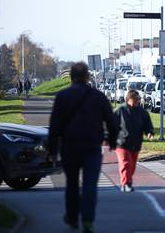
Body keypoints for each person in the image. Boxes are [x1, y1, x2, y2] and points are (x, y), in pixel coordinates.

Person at [48, 62, 118, 233]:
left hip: (69, 147)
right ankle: (87, 220)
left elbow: (54, 125)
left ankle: (72, 218)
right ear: (87, 76)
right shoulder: (98, 96)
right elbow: (111, 121)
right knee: (90, 185)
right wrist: (113, 141)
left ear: (71, 76)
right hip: (92, 147)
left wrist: (52, 150)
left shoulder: (62, 96)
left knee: (71, 184)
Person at [115, 89, 154, 192]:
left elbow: (147, 124)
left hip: (136, 143)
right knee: (126, 163)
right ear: (128, 99)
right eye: (135, 99)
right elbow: (111, 124)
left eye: (138, 99)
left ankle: (126, 182)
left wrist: (149, 133)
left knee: (132, 166)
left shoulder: (142, 112)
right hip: (122, 142)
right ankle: (127, 183)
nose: (137, 101)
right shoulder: (121, 110)